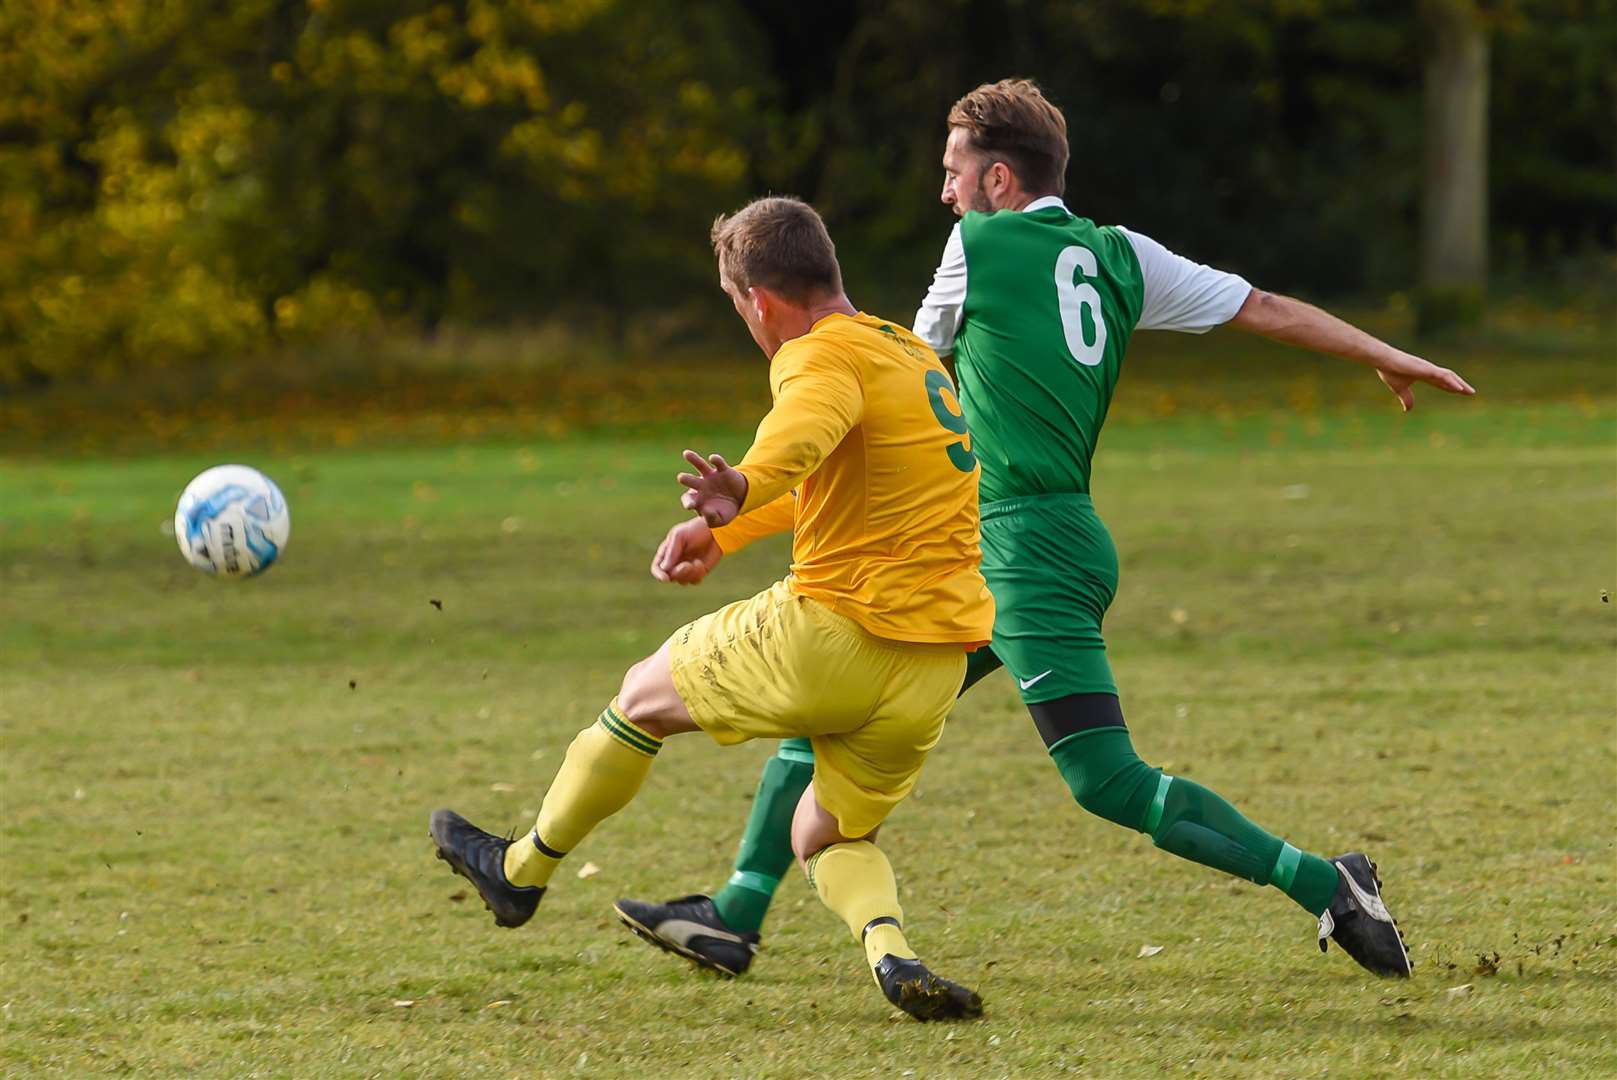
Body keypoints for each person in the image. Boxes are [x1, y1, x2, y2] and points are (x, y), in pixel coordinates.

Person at [614, 79, 1475, 982]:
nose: (942, 191)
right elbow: (1261, 306)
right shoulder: (1119, 253)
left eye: (952, 172)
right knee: (838, 697)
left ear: (994, 180)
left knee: (1105, 781)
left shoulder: (976, 246)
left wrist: (739, 513)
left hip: (1023, 549)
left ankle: (1326, 884)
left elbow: (891, 385)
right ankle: (735, 913)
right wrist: (1381, 351)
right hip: (1013, 545)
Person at [429, 195, 996, 1022]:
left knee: (639, 699)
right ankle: (890, 953)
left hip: (835, 633)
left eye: (737, 306)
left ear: (757, 299)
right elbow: (844, 481)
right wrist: (724, 532)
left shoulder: (816, 357)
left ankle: (518, 872)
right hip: (932, 664)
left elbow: (796, 436)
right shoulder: (907, 353)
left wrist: (741, 483)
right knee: (828, 836)